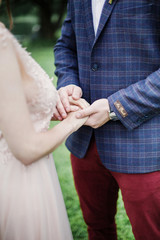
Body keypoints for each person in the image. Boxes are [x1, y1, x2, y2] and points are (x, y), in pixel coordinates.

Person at [54, 0, 160, 239]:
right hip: (84, 141)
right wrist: (68, 82)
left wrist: (116, 107)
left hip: (145, 144)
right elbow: (66, 46)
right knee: (97, 229)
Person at [0, 1, 89, 239]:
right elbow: (27, 149)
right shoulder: (1, 42)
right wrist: (74, 120)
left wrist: (40, 110)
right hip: (20, 183)